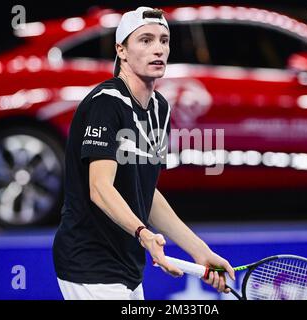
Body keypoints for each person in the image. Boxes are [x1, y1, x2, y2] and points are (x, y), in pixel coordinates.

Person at [52, 6, 235, 300]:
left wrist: (200, 251)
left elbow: (146, 194)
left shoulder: (159, 108)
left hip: (128, 265)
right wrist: (144, 234)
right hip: (89, 262)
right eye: (146, 40)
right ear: (121, 50)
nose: (158, 49)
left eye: (164, 40)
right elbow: (99, 188)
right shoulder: (106, 103)